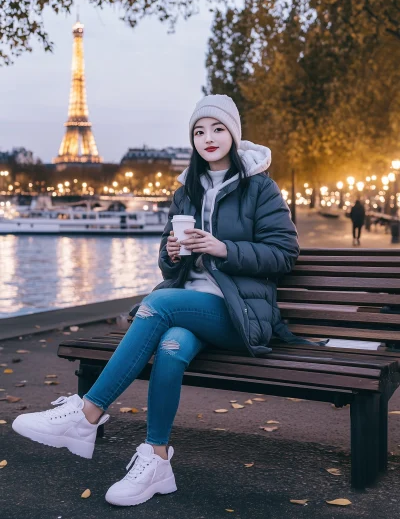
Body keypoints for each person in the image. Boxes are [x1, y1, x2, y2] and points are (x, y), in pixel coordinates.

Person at [12, 94, 321, 507]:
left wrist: (222, 247)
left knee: (155, 306)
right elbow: (166, 261)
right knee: (171, 348)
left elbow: (284, 254)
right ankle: (157, 461)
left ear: (233, 133)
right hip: (191, 306)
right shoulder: (186, 190)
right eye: (198, 131)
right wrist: (172, 254)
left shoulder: (259, 188)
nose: (207, 137)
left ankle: (86, 414)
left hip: (238, 313)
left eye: (217, 128)